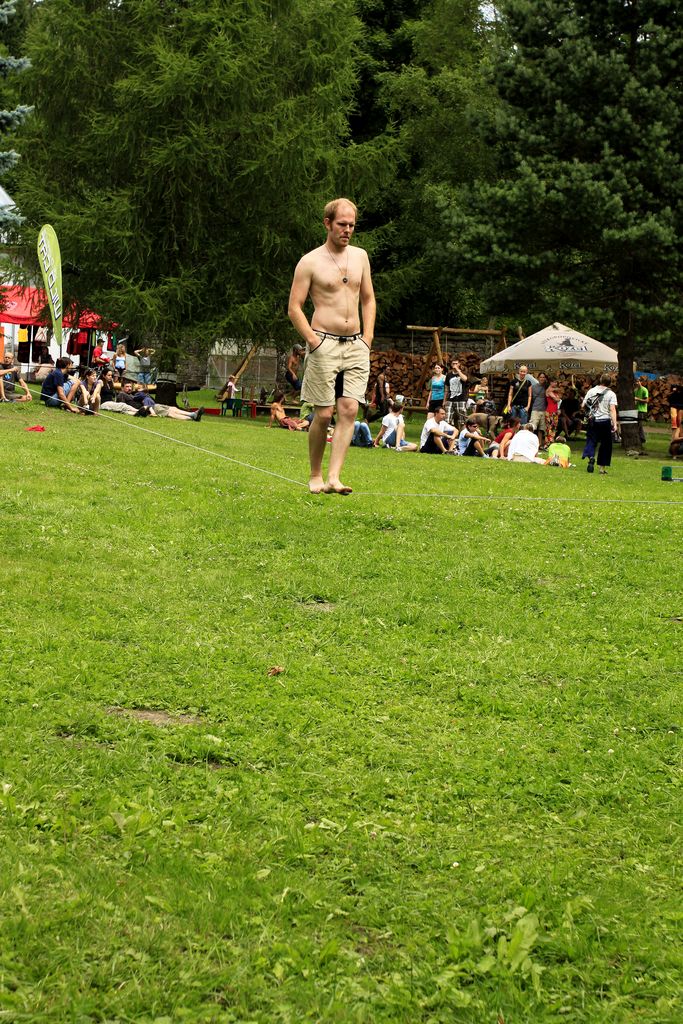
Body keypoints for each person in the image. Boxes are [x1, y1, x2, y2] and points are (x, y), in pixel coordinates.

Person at [288, 197, 375, 494]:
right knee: (324, 413)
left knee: (349, 409)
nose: (347, 230)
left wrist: (368, 338)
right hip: (323, 341)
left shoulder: (361, 256)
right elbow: (294, 307)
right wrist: (312, 341)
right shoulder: (310, 261)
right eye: (341, 224)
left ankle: (334, 478)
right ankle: (315, 475)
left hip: (356, 344)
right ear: (327, 223)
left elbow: (368, 299)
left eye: (351, 225)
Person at [581, 373, 618, 474]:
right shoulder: (611, 394)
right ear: (610, 383)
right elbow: (612, 409)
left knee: (591, 440)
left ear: (600, 380)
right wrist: (615, 424)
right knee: (606, 445)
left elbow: (583, 405)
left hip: (592, 420)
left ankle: (591, 457)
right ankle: (602, 469)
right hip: (605, 421)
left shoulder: (591, 391)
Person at [444, 358, 469, 428]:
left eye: (456, 363)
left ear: (459, 364)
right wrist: (444, 401)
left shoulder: (463, 373)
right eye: (453, 363)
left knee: (462, 419)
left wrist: (458, 370)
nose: (454, 365)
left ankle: (463, 435)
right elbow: (446, 389)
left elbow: (465, 379)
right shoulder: (448, 375)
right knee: (447, 418)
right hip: (450, 399)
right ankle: (446, 436)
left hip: (461, 399)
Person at [528, 372, 548, 445]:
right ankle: (530, 443)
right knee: (532, 427)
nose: (542, 378)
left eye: (543, 377)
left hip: (544, 410)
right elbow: (530, 397)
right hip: (535, 409)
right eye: (541, 377)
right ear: (538, 378)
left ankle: (539, 444)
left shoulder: (547, 387)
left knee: (541, 429)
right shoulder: (533, 387)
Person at [634, 377, 649, 450]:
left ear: (641, 382)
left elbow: (646, 400)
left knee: (638, 425)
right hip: (636, 410)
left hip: (642, 410)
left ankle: (640, 440)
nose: (637, 383)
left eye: (638, 381)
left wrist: (637, 399)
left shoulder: (644, 390)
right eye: (636, 382)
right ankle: (642, 439)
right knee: (638, 425)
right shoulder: (635, 390)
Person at [545, 378, 561, 444]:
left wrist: (557, 398)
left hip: (555, 411)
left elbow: (557, 399)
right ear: (550, 382)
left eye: (556, 382)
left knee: (554, 427)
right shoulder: (549, 390)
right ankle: (547, 444)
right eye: (554, 382)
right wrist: (557, 398)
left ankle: (551, 442)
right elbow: (557, 400)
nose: (556, 384)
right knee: (549, 428)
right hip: (549, 411)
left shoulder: (554, 391)